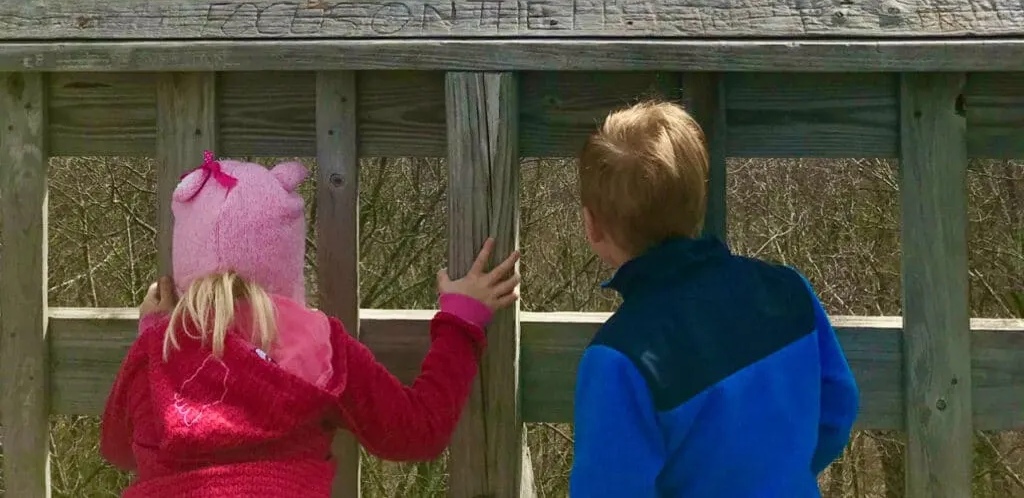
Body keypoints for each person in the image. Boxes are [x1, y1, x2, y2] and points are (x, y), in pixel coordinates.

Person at [101, 152, 519, 497]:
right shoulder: (318, 349)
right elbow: (418, 431)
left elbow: (121, 450)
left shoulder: (158, 349)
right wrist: (461, 322)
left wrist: (154, 332)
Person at [569, 100, 859, 496]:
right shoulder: (787, 289)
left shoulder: (618, 361)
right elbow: (838, 407)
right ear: (698, 202)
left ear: (592, 226)